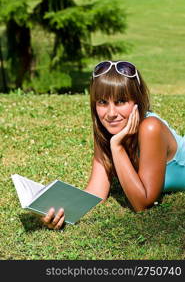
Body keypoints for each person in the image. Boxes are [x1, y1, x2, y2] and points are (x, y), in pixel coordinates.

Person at [41, 60, 185, 229]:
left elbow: (143, 204)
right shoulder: (105, 131)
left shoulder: (150, 128)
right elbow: (96, 193)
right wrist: (60, 211)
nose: (110, 114)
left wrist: (116, 147)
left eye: (120, 101)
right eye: (102, 102)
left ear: (137, 101)